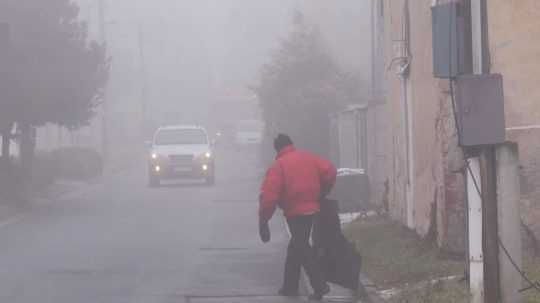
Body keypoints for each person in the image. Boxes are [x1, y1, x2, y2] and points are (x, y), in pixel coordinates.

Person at [259, 134, 337, 301]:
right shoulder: (308, 157)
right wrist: (324, 191)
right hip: (313, 208)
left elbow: (269, 197)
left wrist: (264, 219)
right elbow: (330, 170)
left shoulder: (278, 166)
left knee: (301, 246)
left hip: (295, 211)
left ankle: (319, 285)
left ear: (277, 149)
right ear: (291, 144)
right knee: (296, 244)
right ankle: (290, 286)